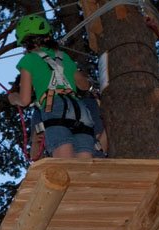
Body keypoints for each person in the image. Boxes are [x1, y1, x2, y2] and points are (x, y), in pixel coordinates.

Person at [7, 14, 97, 159]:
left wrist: (13, 98)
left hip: (53, 106)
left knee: (65, 162)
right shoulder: (63, 57)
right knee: (84, 165)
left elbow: (24, 100)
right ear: (48, 35)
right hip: (79, 109)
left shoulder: (28, 60)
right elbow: (84, 85)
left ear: (25, 42)